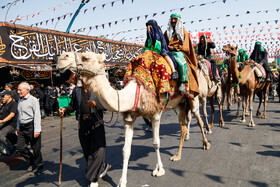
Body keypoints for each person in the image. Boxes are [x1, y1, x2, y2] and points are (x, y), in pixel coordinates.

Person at [59, 79, 110, 187]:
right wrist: (64, 109)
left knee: (98, 149)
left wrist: (96, 103)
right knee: (87, 150)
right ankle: (102, 167)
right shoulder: (77, 91)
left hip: (96, 122)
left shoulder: (97, 89)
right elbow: (72, 106)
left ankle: (93, 178)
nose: (83, 78)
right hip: (83, 123)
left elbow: (107, 104)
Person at [164, 13, 199, 97]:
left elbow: (186, 46)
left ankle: (182, 82)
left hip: (179, 51)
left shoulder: (183, 32)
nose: (173, 21)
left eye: (175, 19)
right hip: (167, 51)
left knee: (180, 62)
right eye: (172, 19)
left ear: (178, 21)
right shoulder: (167, 32)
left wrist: (175, 48)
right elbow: (163, 41)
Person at [16, 82, 44, 173]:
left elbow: (37, 115)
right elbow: (19, 115)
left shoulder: (33, 100)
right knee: (20, 148)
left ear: (27, 90)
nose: (18, 91)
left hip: (31, 126)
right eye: (18, 89)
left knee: (35, 149)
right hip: (22, 128)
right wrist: (17, 127)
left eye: (20, 90)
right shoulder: (20, 100)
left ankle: (39, 165)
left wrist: (37, 130)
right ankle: (32, 161)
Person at [0, 90, 17, 156]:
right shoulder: (4, 104)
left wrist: (3, 120)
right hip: (4, 124)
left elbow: (12, 114)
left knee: (0, 135)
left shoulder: (13, 104)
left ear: (8, 96)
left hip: (11, 124)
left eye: (3, 96)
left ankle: (11, 148)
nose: (2, 97)